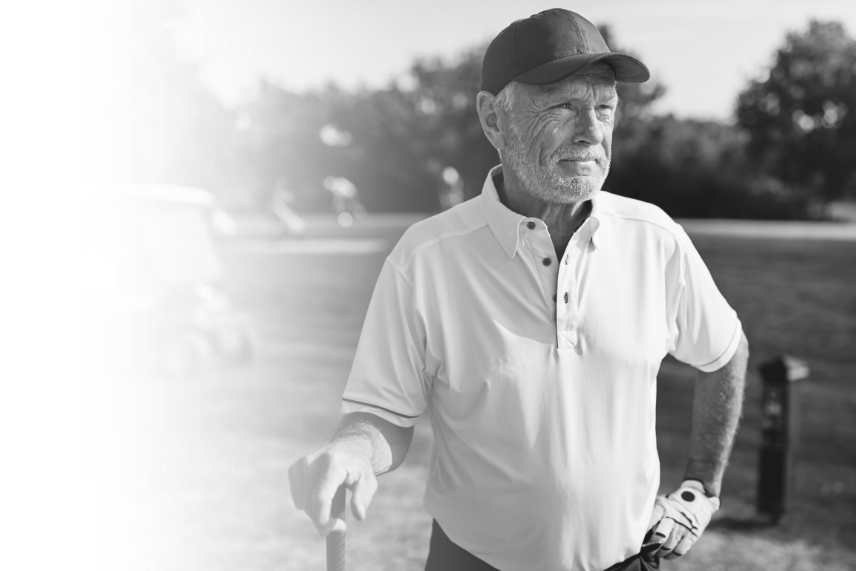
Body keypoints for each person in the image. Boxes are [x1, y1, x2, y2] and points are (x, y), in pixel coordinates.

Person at [288, 9, 749, 571]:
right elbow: (382, 411)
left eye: (605, 107)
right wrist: (353, 451)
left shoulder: (656, 240)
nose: (592, 131)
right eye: (562, 106)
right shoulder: (425, 257)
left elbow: (725, 352)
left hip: (630, 562)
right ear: (492, 119)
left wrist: (700, 489)